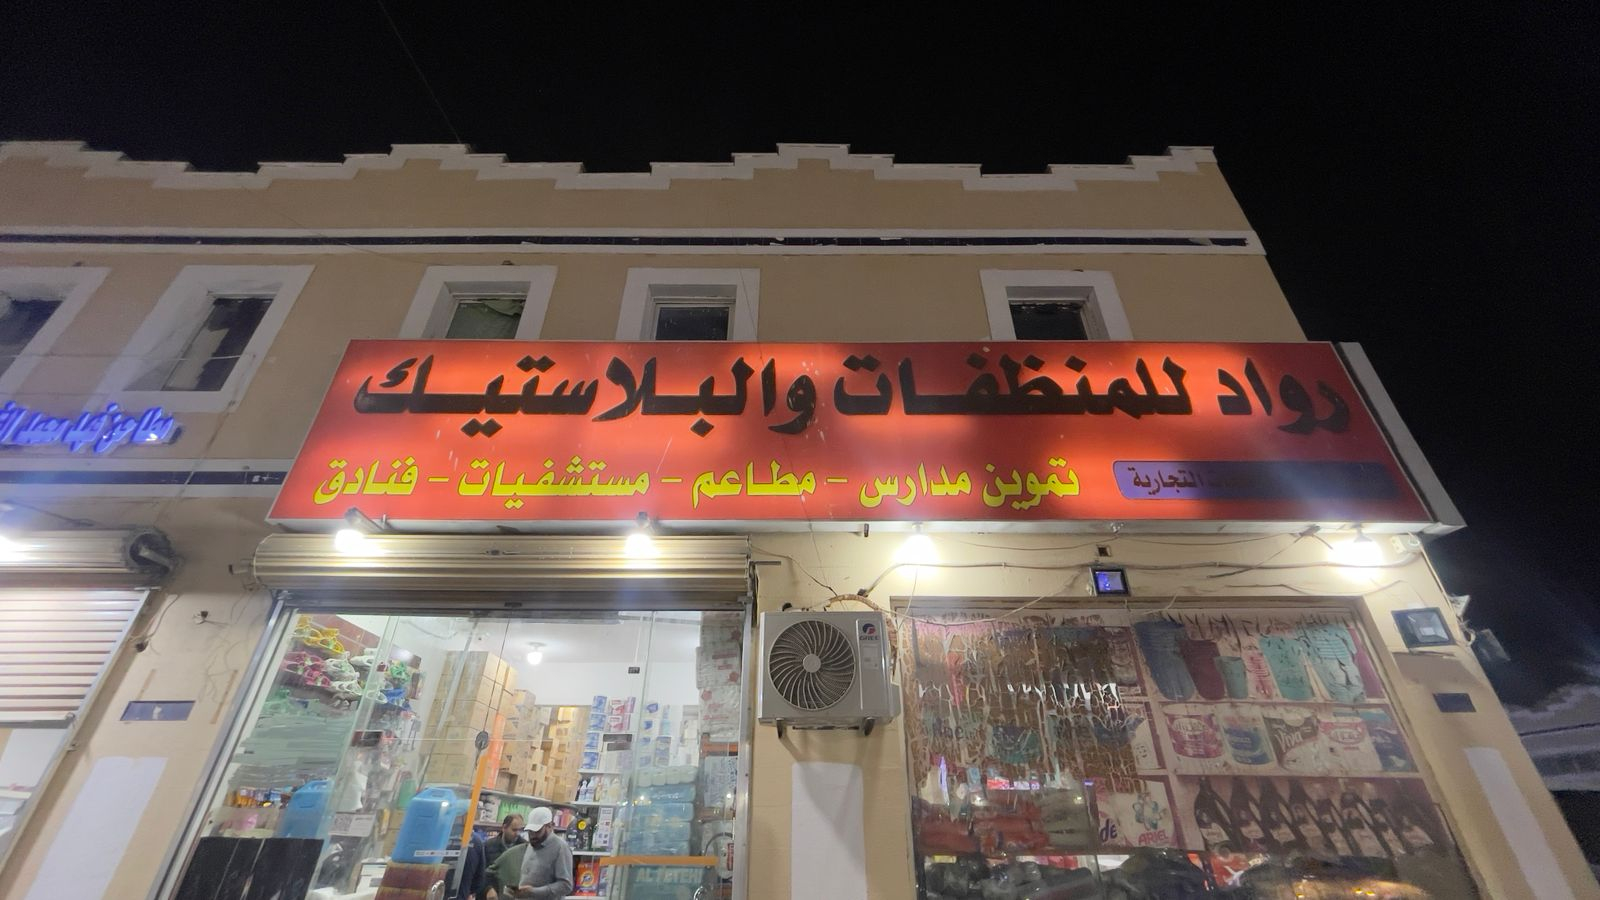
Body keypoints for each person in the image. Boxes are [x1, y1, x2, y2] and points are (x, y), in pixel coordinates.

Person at [513, 806, 573, 899]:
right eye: (530, 831)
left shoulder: (560, 847)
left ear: (549, 826)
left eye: (537, 831)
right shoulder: (532, 844)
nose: (532, 835)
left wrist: (534, 892)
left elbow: (566, 885)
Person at [483, 813, 526, 897]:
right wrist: (488, 888)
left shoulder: (524, 847)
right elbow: (482, 872)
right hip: (492, 894)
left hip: (514, 894)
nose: (517, 833)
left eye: (519, 830)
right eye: (514, 830)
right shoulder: (489, 846)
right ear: (504, 828)